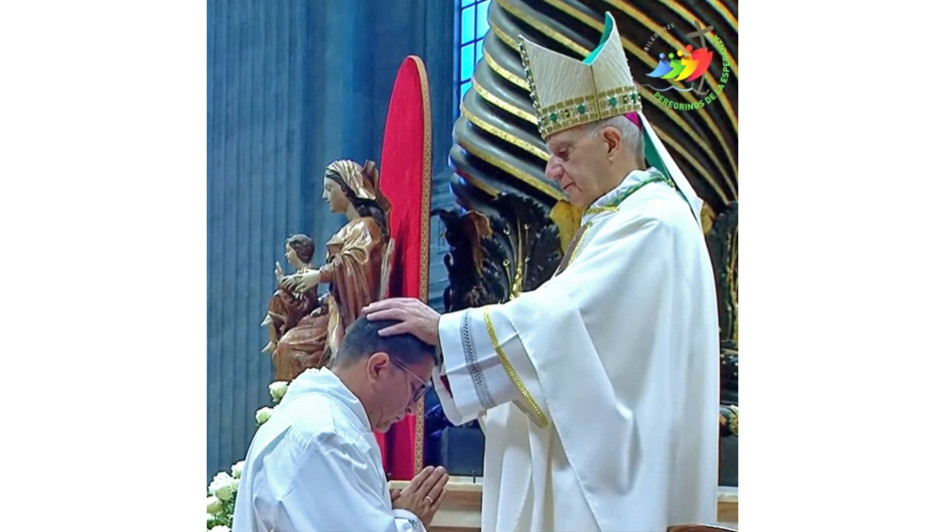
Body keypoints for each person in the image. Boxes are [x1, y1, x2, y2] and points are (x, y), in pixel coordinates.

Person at [364, 12, 720, 532]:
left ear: (613, 144)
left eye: (563, 153)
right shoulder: (620, 220)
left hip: (626, 482)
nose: (552, 171)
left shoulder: (652, 222)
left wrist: (445, 330)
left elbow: (564, 320)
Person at [232, 317, 448, 531]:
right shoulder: (325, 437)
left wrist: (375, 511)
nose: (413, 409)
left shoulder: (321, 420)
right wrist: (410, 519)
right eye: (416, 389)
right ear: (378, 368)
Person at [272, 159, 394, 382]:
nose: (324, 196)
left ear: (347, 188)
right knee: (287, 342)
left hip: (348, 316)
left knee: (290, 347)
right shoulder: (350, 229)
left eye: (329, 188)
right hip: (334, 308)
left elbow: (358, 264)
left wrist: (319, 275)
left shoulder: (366, 227)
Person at [261, 234, 318, 354]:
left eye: (289, 251)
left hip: (304, 307)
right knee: (279, 297)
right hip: (299, 304)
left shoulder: (309, 272)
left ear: (299, 251)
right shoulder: (300, 272)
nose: (286, 255)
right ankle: (273, 336)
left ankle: (273, 339)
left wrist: (281, 279)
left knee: (279, 296)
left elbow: (294, 285)